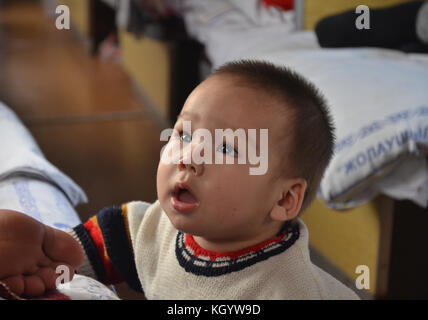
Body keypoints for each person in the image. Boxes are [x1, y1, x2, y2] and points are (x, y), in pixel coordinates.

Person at [0, 60, 359, 299]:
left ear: (283, 199)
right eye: (184, 134)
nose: (190, 157)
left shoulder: (283, 290)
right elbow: (117, 239)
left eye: (226, 149)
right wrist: (53, 256)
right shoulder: (156, 228)